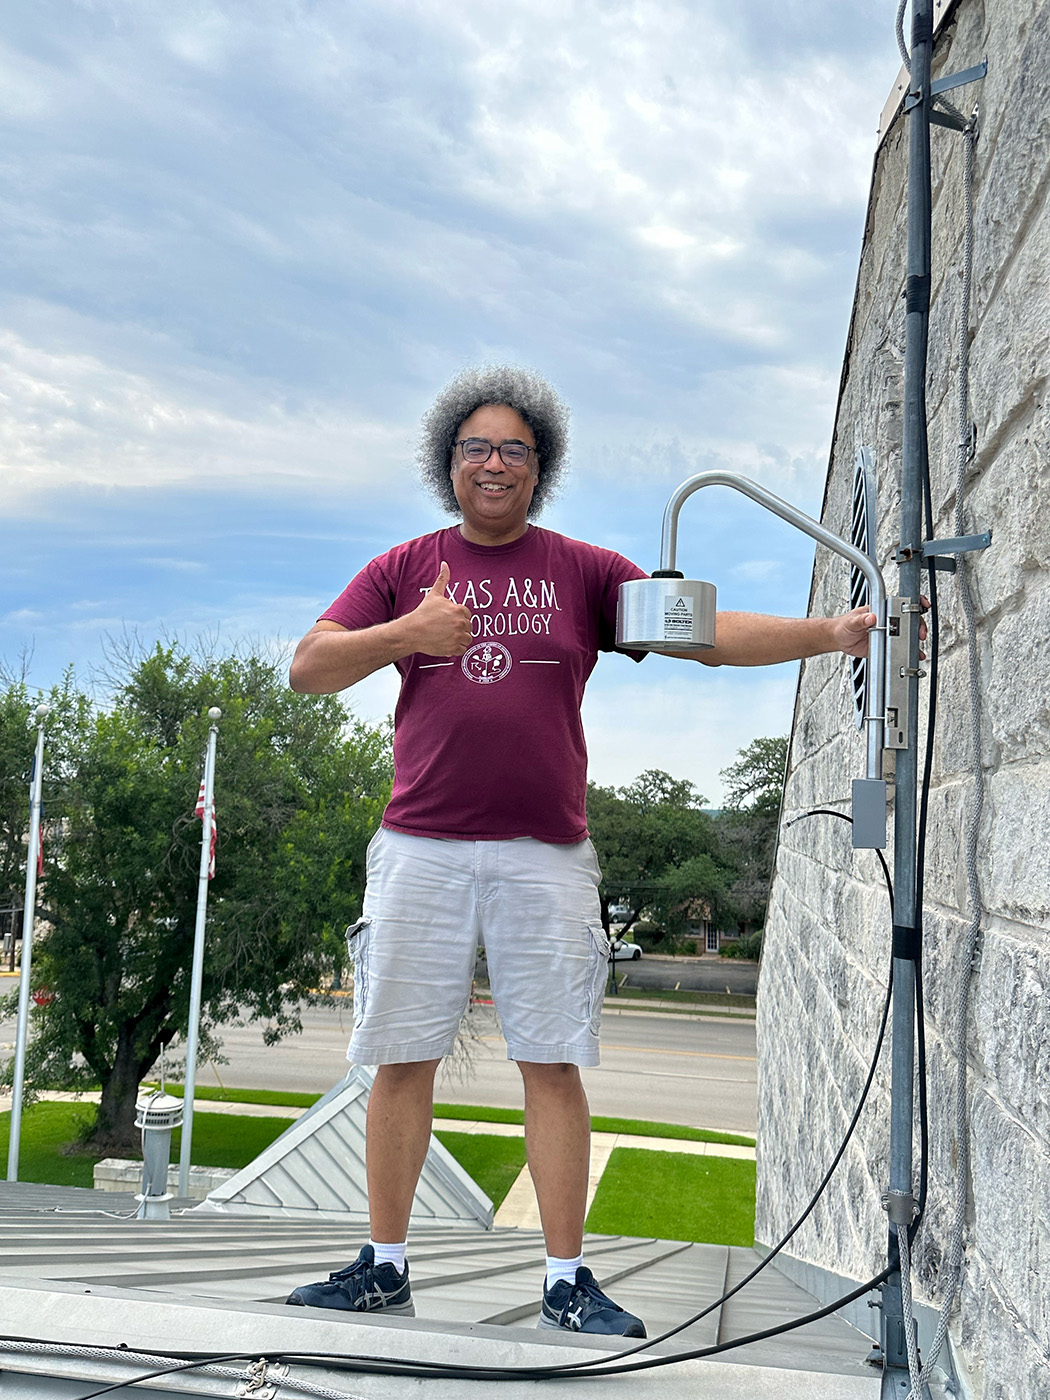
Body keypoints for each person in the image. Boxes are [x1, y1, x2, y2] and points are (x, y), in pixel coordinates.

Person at [284, 365, 878, 1337]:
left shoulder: (581, 571)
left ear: (539, 467)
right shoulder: (404, 565)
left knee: (552, 1062)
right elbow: (310, 665)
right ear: (449, 462)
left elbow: (707, 635)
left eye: (515, 447)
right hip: (419, 850)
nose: (494, 461)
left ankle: (565, 1279)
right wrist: (413, 631)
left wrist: (832, 632)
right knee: (400, 1057)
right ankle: (383, 1265)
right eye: (476, 445)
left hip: (546, 855)